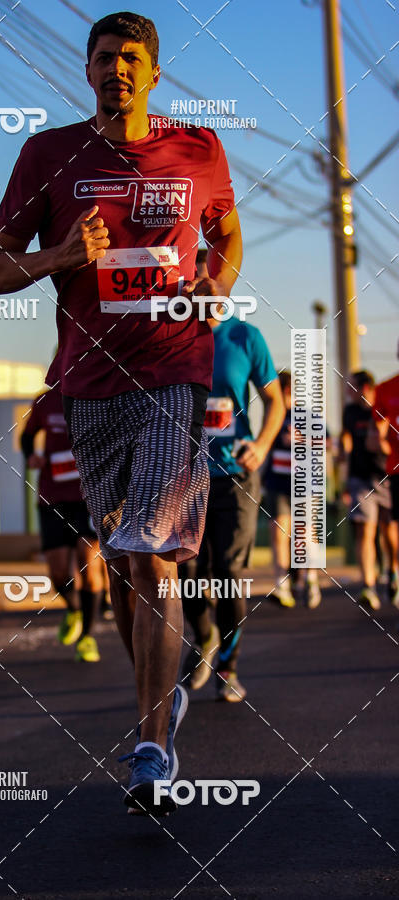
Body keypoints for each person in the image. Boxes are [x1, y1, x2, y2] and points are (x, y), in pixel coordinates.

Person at [0, 12, 242, 815]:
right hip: (89, 385)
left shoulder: (199, 149)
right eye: (104, 57)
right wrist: (63, 255)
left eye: (131, 58)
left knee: (155, 557)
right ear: (88, 70)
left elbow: (228, 233)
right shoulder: (49, 155)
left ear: (153, 74)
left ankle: (152, 748)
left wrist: (216, 284)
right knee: (129, 564)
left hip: (175, 373)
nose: (116, 68)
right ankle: (161, 705)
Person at [181, 249, 284, 701]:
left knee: (227, 572)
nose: (192, 285)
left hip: (235, 475)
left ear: (220, 283)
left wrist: (261, 445)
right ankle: (204, 636)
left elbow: (275, 401)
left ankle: (228, 667)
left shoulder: (245, 337)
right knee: (186, 570)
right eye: (187, 279)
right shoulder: (176, 336)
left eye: (200, 277)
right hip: (185, 475)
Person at [21, 383, 105, 661]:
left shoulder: (98, 393)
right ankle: (74, 609)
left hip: (88, 497)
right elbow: (27, 436)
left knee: (89, 564)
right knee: (58, 573)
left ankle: (87, 637)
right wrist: (31, 456)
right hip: (53, 497)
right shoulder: (45, 401)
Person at [264, 370, 322, 610]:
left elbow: (327, 442)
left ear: (286, 389)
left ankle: (311, 579)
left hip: (303, 484)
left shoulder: (306, 414)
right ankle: (282, 585)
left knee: (304, 535)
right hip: (277, 483)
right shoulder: (272, 414)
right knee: (279, 533)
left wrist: (302, 441)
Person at [341, 370, 398, 610]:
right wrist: (343, 463)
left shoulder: (383, 406)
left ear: (364, 388)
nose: (347, 392)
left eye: (351, 387)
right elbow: (346, 438)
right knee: (365, 530)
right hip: (360, 479)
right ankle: (369, 585)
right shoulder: (350, 412)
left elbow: (387, 442)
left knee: (390, 531)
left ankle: (393, 572)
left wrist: (382, 444)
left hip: (386, 477)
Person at [372, 358, 399, 606]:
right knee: (391, 525)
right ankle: (394, 570)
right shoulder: (386, 388)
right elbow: (378, 430)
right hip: (396, 470)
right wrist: (378, 440)